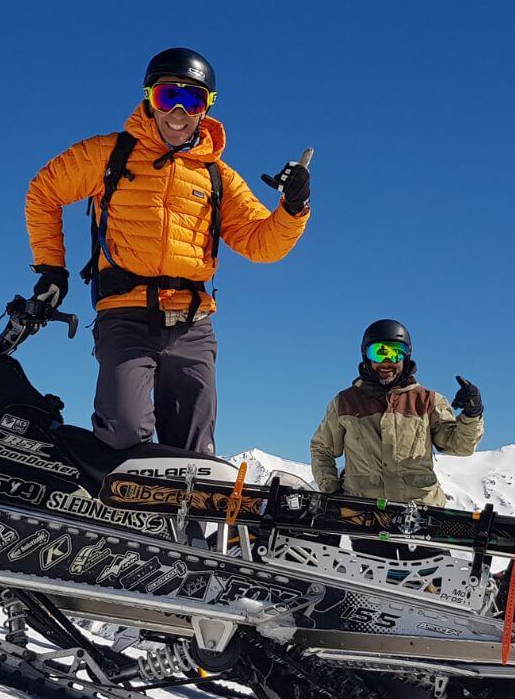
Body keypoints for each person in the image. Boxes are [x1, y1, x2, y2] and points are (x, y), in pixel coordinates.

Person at [23, 47, 312, 455]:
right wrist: (52, 269)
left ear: (207, 109)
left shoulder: (217, 177)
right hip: (125, 317)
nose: (178, 111)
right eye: (166, 97)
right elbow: (43, 192)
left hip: (192, 325)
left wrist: (293, 208)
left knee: (193, 455)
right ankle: (110, 517)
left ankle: (187, 523)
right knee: (122, 435)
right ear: (148, 99)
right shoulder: (109, 154)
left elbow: (260, 243)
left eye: (192, 99)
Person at [309, 319, 484, 558]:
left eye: (395, 352)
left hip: (422, 514)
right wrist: (334, 493)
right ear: (366, 356)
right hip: (367, 516)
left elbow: (458, 445)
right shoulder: (345, 402)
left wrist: (471, 415)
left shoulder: (427, 401)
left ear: (406, 356)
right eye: (379, 352)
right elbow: (322, 448)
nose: (387, 362)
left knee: (432, 583)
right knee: (375, 584)